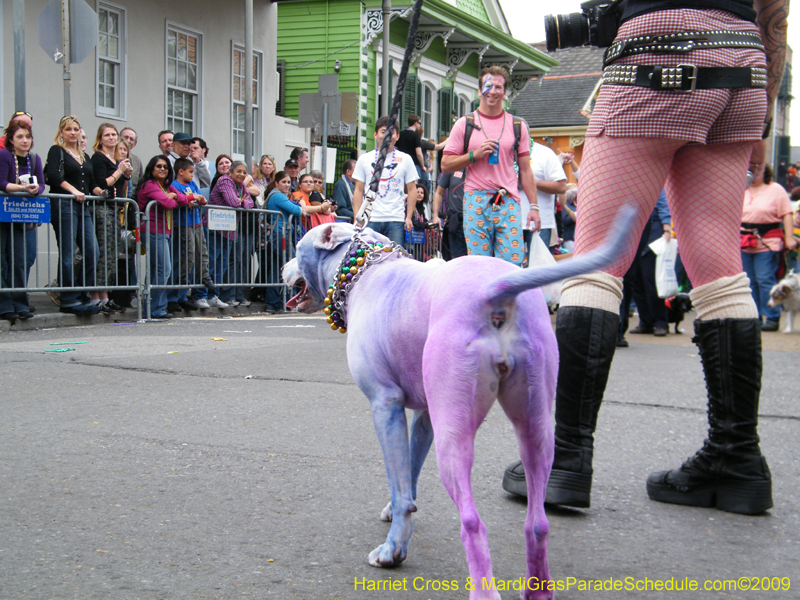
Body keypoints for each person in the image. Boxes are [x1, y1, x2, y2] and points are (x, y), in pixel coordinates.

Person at [502, 0, 788, 517]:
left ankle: (563, 457)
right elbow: (775, 11)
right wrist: (762, 113)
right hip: (744, 65)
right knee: (721, 270)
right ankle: (737, 456)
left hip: (656, 52)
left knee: (593, 262)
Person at [441, 66, 540, 266]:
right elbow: (445, 164)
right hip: (475, 199)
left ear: (505, 92)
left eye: (498, 87)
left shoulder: (517, 125)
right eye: (488, 86)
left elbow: (525, 170)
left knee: (512, 266)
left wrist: (534, 206)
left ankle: (510, 299)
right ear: (479, 91)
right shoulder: (464, 123)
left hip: (507, 199)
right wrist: (473, 155)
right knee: (480, 267)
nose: (493, 91)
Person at [46, 115, 105, 315]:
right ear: (61, 133)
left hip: (83, 207)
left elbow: (92, 183)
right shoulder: (57, 151)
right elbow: (53, 175)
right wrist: (73, 191)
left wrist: (99, 192)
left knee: (92, 251)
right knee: (69, 253)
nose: (73, 133)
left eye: (76, 129)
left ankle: (82, 293)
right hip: (64, 204)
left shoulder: (85, 156)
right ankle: (68, 298)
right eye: (69, 129)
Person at [741, 163, 797, 330]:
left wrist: (788, 237)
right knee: (748, 282)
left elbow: (787, 214)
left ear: (765, 173)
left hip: (767, 242)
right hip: (743, 241)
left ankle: (772, 318)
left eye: (758, 171)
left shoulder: (776, 189)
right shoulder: (742, 189)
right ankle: (754, 317)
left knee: (765, 279)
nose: (755, 174)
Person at [0, 120, 45, 323]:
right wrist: (21, 188)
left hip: (24, 217)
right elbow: (1, 182)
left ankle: (20, 302)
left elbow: (42, 184)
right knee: (3, 260)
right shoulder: (4, 155)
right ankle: (5, 304)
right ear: (11, 139)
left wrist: (36, 190)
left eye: (27, 137)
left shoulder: (34, 159)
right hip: (5, 215)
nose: (25, 140)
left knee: (22, 260)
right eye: (20, 137)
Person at [351, 116, 419, 247]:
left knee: (394, 260)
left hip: (395, 219)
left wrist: (409, 217)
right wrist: (356, 217)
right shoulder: (364, 159)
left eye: (391, 132)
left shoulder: (406, 159)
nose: (387, 135)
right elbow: (358, 190)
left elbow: (412, 189)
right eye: (383, 131)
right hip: (370, 219)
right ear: (375, 134)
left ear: (397, 136)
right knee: (368, 259)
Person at [136, 155, 189, 319]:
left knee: (156, 271)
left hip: (164, 231)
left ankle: (151, 308)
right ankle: (156, 309)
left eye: (165, 167)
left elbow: (182, 198)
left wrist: (174, 197)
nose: (162, 169)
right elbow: (168, 203)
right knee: (163, 269)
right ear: (151, 169)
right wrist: (172, 198)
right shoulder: (150, 185)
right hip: (152, 231)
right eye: (158, 166)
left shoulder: (165, 186)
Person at [91, 123, 133, 313]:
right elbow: (102, 183)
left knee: (112, 253)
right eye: (107, 135)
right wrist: (118, 171)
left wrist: (126, 175)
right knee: (104, 251)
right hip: (101, 209)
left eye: (114, 134)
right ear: (100, 139)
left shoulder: (116, 159)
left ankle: (106, 296)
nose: (111, 138)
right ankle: (96, 297)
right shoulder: (98, 157)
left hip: (114, 209)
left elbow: (121, 191)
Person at [202, 161, 254, 309]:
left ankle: (214, 295)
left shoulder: (241, 185)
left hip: (228, 230)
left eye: (244, 172)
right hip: (214, 227)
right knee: (210, 263)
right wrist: (240, 202)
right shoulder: (225, 180)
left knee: (222, 265)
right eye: (238, 171)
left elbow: (250, 204)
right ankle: (203, 295)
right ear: (230, 172)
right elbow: (233, 202)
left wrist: (242, 201)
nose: (242, 174)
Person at [622, 190, 673, 339]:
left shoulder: (656, 181)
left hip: (653, 231)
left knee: (651, 280)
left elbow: (663, 204)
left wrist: (666, 228)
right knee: (636, 280)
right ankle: (646, 322)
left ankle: (661, 322)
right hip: (634, 228)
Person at [166, 157, 213, 312]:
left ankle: (203, 277)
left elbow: (200, 198)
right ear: (181, 171)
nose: (193, 175)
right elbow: (180, 200)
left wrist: (199, 199)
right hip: (183, 224)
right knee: (188, 256)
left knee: (202, 252)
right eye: (191, 172)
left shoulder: (192, 184)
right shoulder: (174, 185)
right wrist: (190, 199)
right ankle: (178, 292)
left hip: (197, 223)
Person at [262, 171, 308, 311]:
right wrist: (301, 206)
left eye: (288, 182)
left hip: (281, 235)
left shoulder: (280, 196)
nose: (287, 185)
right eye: (284, 182)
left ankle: (275, 303)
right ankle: (287, 301)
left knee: (277, 269)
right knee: (292, 268)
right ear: (276, 183)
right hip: (279, 235)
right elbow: (296, 210)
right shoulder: (277, 196)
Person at [524, 142, 567, 250]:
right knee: (509, 266)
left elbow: (561, 187)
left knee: (539, 265)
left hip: (540, 224)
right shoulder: (504, 151)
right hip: (507, 222)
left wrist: (529, 181)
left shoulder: (544, 153)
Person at [431, 166, 468, 260]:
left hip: (477, 221)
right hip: (456, 221)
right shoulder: (453, 166)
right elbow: (439, 192)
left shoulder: (480, 167)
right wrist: (435, 216)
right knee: (456, 261)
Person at [120, 127, 144, 193]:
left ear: (135, 143)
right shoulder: (113, 157)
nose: (128, 141)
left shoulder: (137, 160)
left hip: (132, 200)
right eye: (126, 137)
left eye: (131, 139)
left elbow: (141, 182)